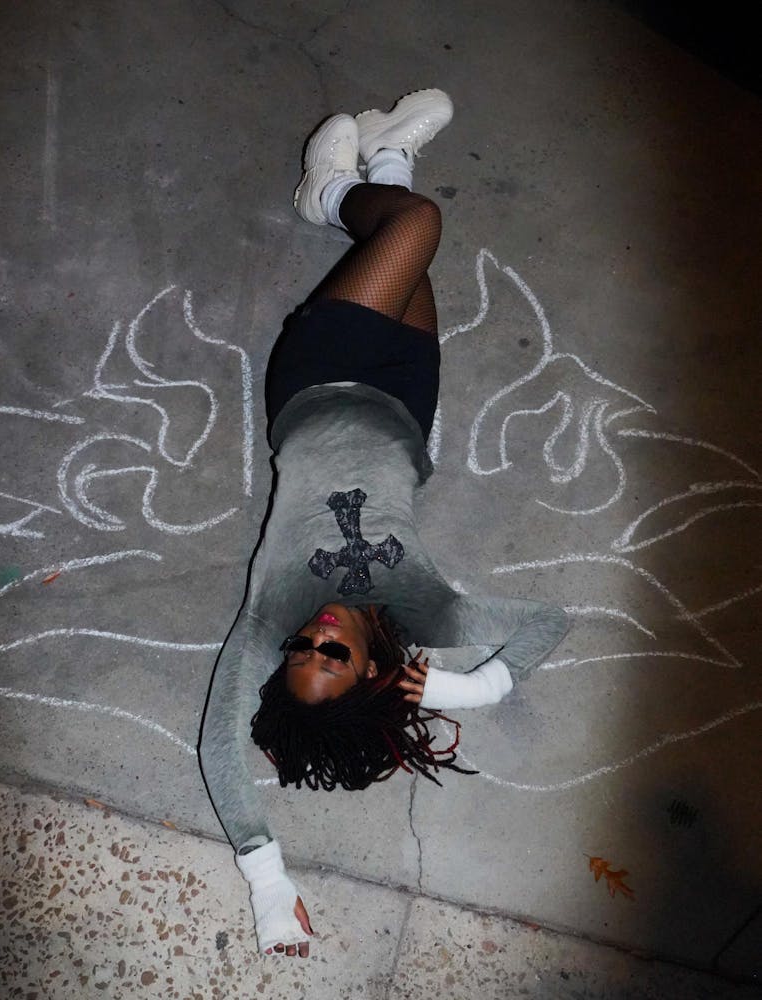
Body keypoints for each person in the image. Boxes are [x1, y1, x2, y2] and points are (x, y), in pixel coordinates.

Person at [198, 89, 569, 958]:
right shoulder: (424, 612)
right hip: (407, 405)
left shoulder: (271, 612)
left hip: (316, 382)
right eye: (331, 658)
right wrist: (467, 689)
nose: (316, 638)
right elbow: (548, 621)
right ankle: (388, 153)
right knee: (412, 259)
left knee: (412, 227)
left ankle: (326, 192)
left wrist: (266, 879)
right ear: (370, 671)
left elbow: (218, 749)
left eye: (300, 653)